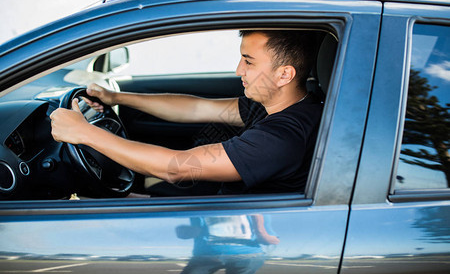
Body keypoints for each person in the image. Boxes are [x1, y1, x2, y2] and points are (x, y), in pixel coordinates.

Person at [50, 30, 323, 195]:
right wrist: (116, 97)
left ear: (285, 74)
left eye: (248, 62)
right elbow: (194, 108)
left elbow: (176, 169)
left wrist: (84, 132)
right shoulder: (279, 105)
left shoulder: (281, 138)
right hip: (219, 206)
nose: (238, 70)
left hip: (226, 230)